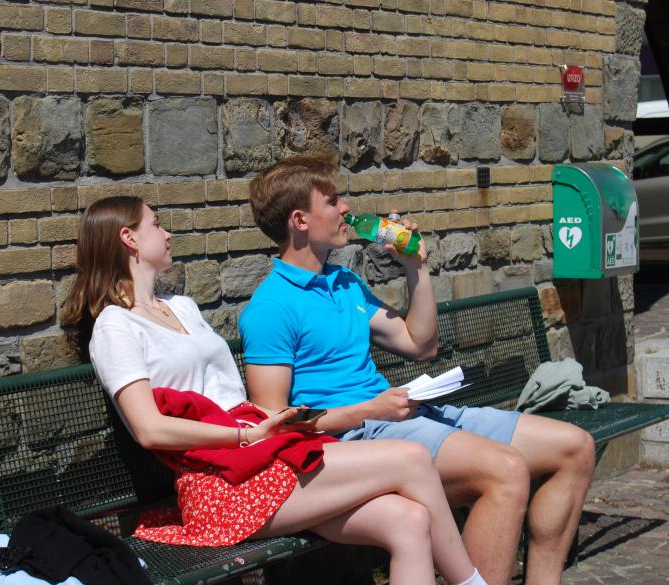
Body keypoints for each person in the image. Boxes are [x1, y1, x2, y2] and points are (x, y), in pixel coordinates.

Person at [61, 195, 489, 585]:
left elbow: (230, 396)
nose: (168, 233)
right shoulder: (115, 326)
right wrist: (246, 435)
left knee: (410, 521)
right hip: (223, 482)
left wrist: (269, 428)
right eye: (156, 224)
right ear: (129, 237)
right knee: (412, 458)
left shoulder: (182, 308)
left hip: (265, 456)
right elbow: (150, 429)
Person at [238, 154, 597, 585]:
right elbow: (274, 425)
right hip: (358, 437)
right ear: (300, 219)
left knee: (574, 447)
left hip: (406, 417)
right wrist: (370, 410)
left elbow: (420, 345)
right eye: (333, 201)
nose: (346, 209)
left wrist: (416, 268)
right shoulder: (270, 308)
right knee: (505, 469)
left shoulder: (344, 283)